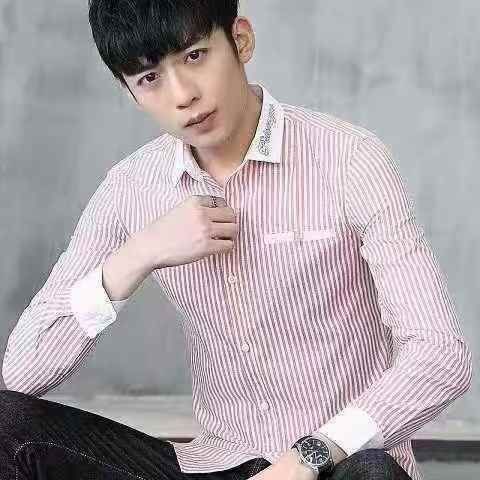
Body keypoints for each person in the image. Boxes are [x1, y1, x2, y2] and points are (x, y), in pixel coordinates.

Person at [0, 1, 472, 479]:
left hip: (334, 462)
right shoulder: (130, 189)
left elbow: (441, 354)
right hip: (215, 464)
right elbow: (22, 375)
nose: (183, 95)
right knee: (6, 424)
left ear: (241, 40)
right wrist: (139, 254)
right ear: (130, 93)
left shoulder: (350, 161)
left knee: (372, 472)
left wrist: (307, 457)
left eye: (195, 56)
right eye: (149, 78)